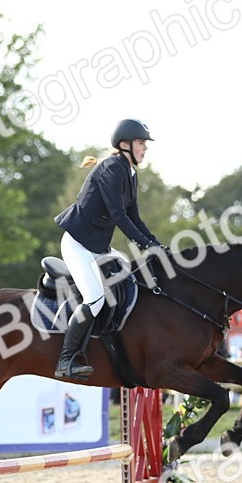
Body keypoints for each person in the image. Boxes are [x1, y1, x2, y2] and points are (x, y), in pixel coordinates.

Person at [52, 119, 162, 379]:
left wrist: (155, 243)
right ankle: (65, 360)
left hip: (99, 247)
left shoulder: (130, 172)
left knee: (129, 277)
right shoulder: (112, 167)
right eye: (141, 143)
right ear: (125, 145)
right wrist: (145, 244)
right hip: (78, 244)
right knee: (95, 297)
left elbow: (135, 217)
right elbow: (119, 215)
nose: (145, 148)